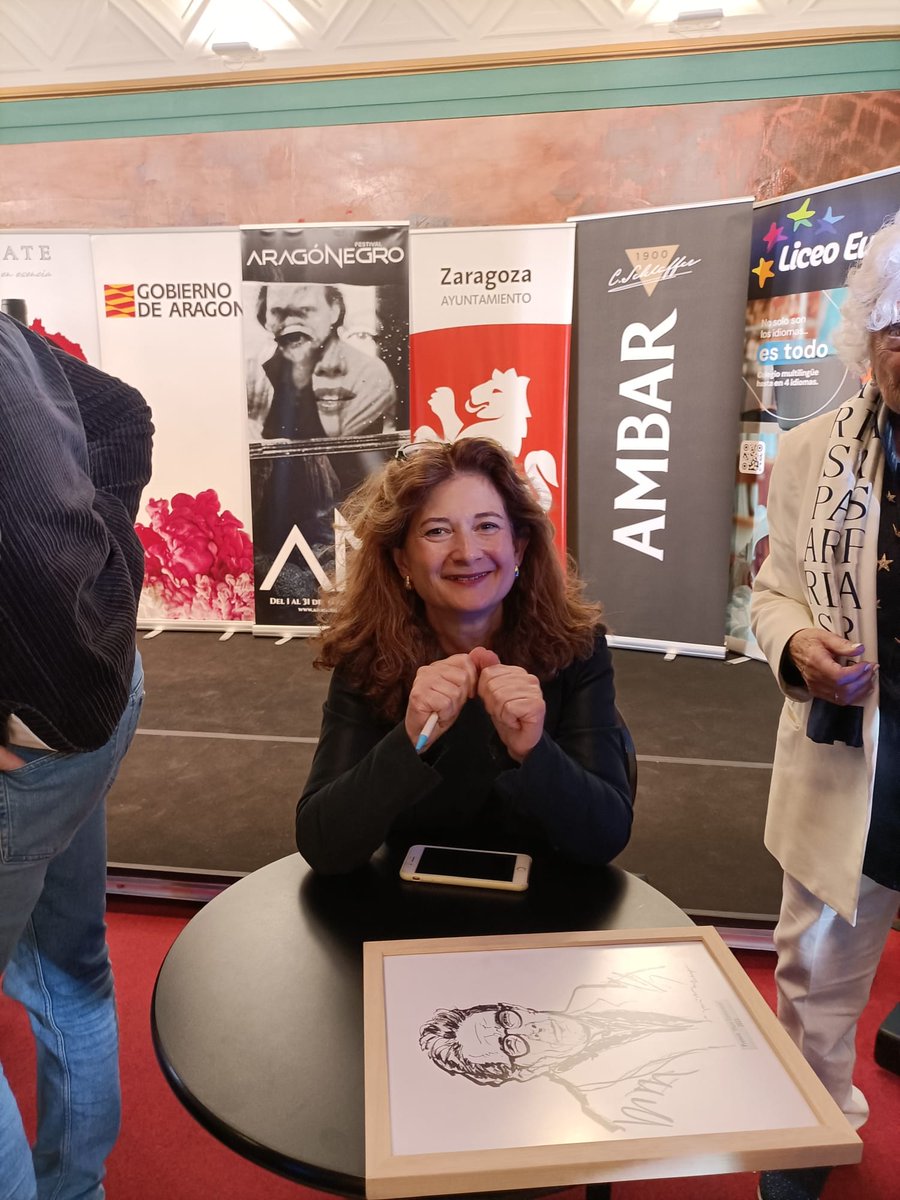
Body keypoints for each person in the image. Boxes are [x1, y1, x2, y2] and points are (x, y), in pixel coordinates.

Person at [751, 210, 900, 1200]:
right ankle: (810, 1123)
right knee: (818, 973)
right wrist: (797, 644)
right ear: (869, 342)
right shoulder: (810, 453)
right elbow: (771, 590)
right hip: (855, 766)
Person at [295, 437, 633, 874]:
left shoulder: (577, 650)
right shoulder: (368, 654)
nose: (467, 552)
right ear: (401, 561)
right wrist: (410, 738)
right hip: (402, 913)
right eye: (437, 531)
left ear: (520, 546)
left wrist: (532, 751)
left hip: (547, 912)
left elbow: (604, 837)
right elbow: (324, 844)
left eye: (488, 526)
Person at [0, 311, 153, 1200]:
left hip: (35, 734)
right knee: (70, 970)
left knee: (69, 973)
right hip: (79, 715)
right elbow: (120, 413)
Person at [246, 283, 399, 612]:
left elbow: (352, 449)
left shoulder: (366, 373)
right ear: (264, 318)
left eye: (305, 311)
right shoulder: (254, 376)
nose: (290, 322)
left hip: (349, 516)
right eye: (278, 312)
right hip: (276, 525)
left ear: (334, 312)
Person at [419, 993, 704, 1132]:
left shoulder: (600, 982)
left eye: (506, 1019)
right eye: (512, 1045)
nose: (529, 1029)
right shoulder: (618, 1104)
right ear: (525, 1072)